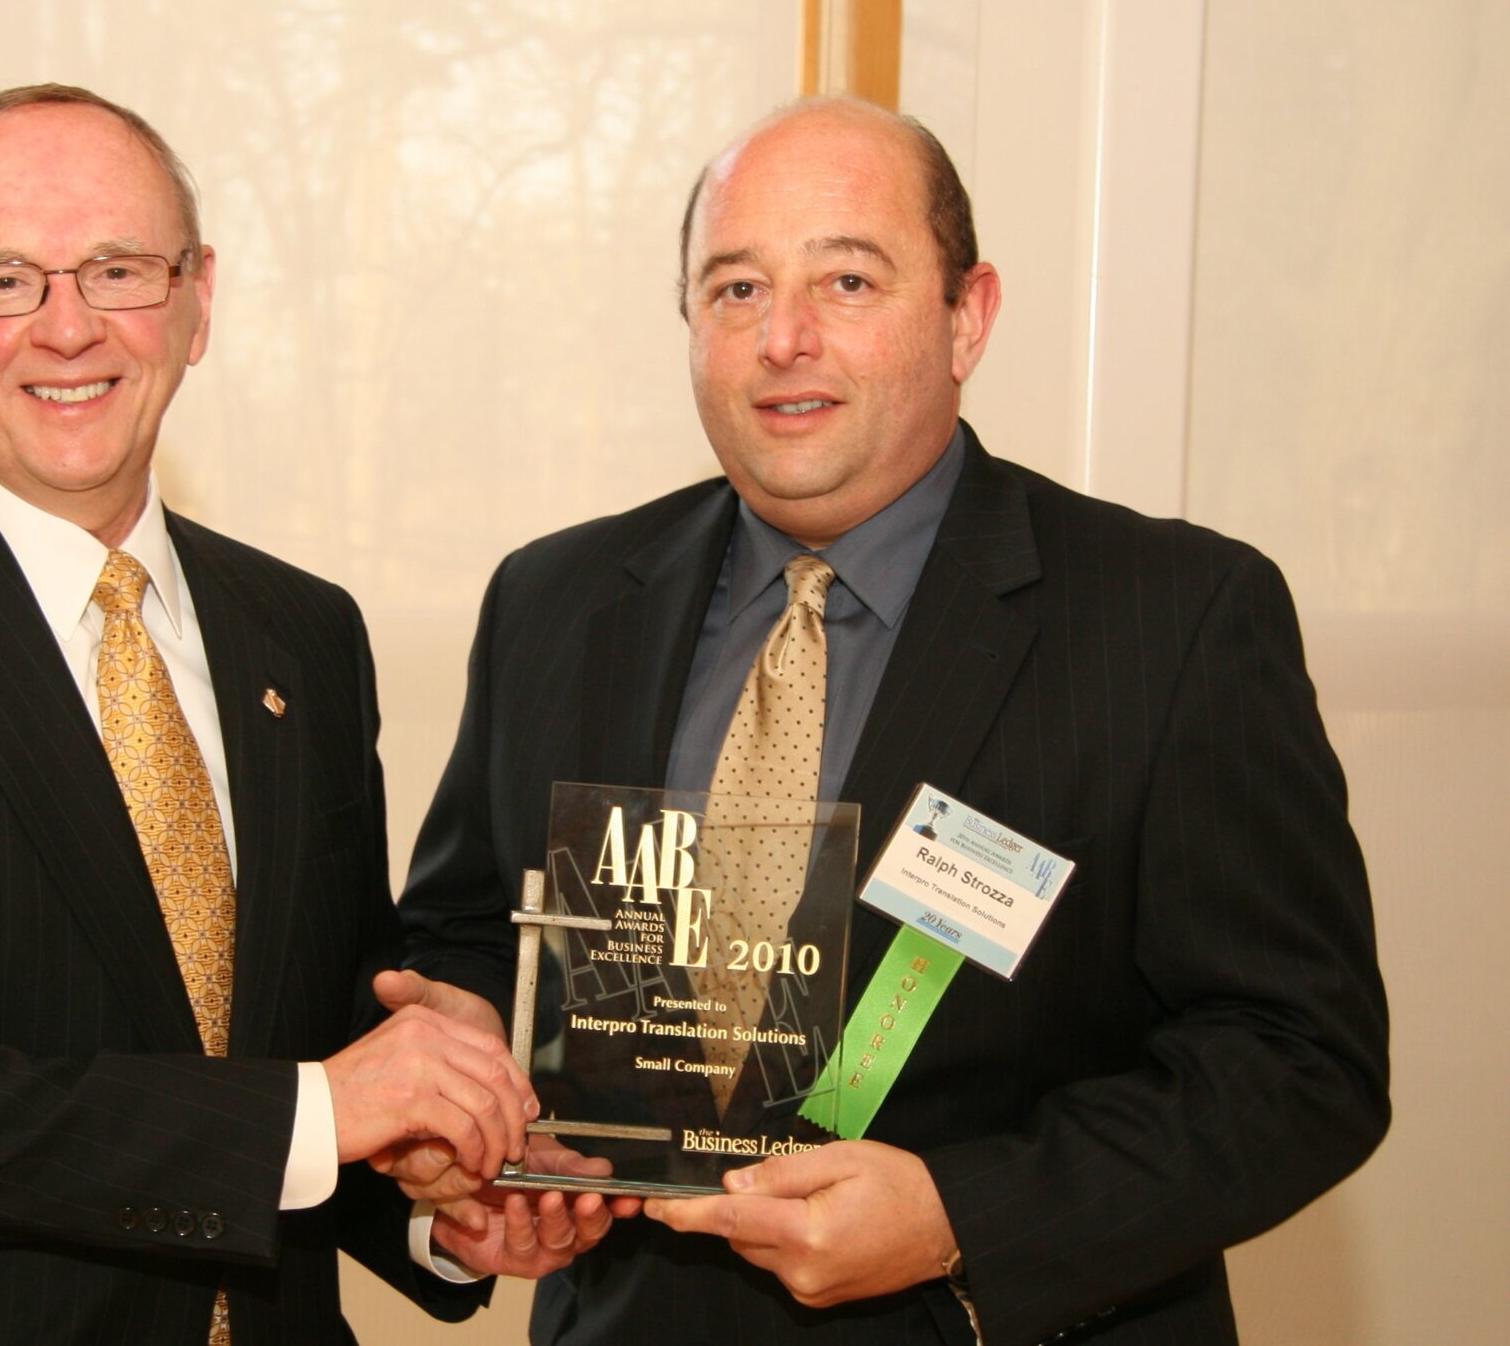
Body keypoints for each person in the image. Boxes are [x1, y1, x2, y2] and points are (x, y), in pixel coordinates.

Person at [398, 98, 1389, 1344]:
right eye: (736, 289)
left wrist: (959, 1216)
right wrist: (469, 1080)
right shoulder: (554, 599)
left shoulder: (1171, 618)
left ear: (964, 315)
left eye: (847, 280)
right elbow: (472, 932)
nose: (784, 339)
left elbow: (1299, 1061)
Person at [0, 83, 542, 1345]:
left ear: (195, 303)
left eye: (118, 269)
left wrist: (435, 1194)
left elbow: (304, 1039)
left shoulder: (304, 633)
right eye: (2, 279)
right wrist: (322, 1112)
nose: (67, 327)